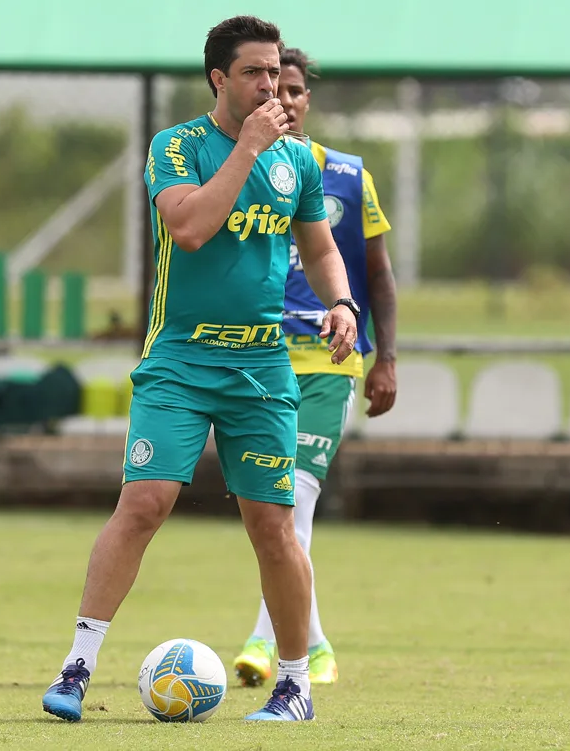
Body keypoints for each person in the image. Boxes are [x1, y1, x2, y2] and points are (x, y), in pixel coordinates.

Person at [41, 17, 361, 724]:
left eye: (275, 72)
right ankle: (77, 667)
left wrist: (341, 301)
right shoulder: (177, 147)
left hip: (260, 365)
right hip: (181, 360)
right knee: (145, 503)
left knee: (274, 525)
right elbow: (189, 228)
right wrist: (247, 149)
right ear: (219, 78)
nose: (270, 85)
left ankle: (293, 685)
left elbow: (320, 249)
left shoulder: (299, 161)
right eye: (254, 73)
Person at [234, 48, 397, 687]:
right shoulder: (239, 167)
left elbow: (378, 276)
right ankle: (318, 646)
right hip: (256, 358)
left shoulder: (350, 175)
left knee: (293, 499)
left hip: (330, 362)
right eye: (278, 86)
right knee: (269, 509)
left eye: (297, 89)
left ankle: (260, 639)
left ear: (307, 97)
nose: (289, 98)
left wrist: (386, 358)